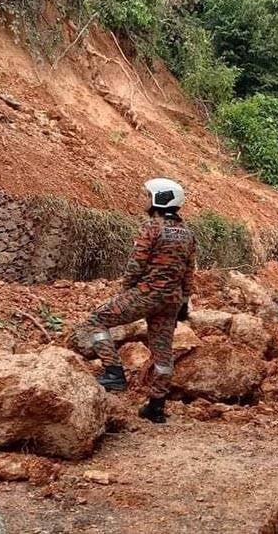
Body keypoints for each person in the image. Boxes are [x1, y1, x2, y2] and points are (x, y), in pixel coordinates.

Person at [72, 178, 196, 423]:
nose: (145, 200)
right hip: (171, 300)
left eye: (149, 196)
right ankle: (157, 406)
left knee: (96, 322)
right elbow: (188, 271)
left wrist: (125, 292)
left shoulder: (152, 227)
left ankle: (114, 372)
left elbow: (136, 264)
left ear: (160, 199)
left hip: (146, 294)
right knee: (162, 351)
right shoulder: (188, 234)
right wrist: (183, 302)